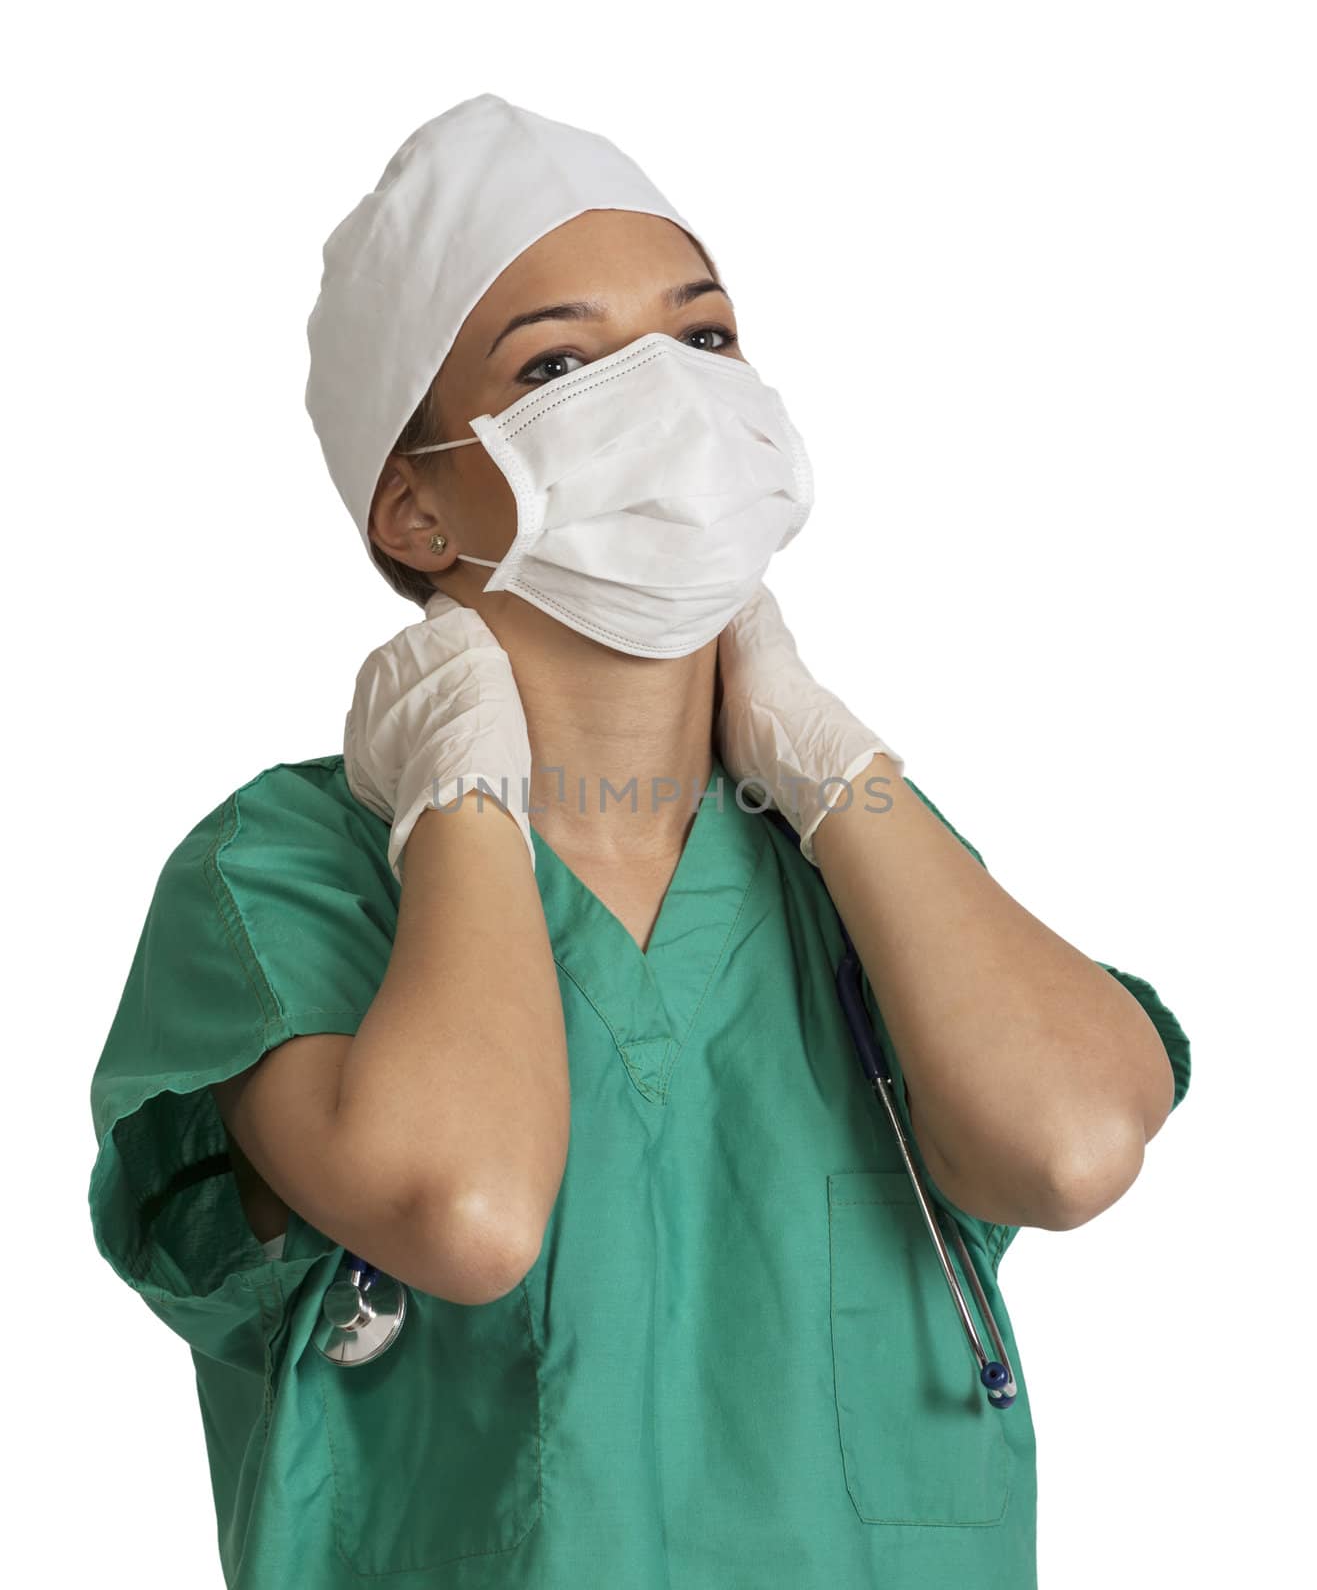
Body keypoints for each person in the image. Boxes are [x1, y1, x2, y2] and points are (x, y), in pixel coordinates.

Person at [86, 92, 1191, 1590]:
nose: (666, 399)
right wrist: (466, 797)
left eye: (704, 338)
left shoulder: (853, 865)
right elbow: (463, 1211)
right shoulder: (288, 876)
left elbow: (1069, 1147)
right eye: (556, 366)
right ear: (413, 509)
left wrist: (828, 756)